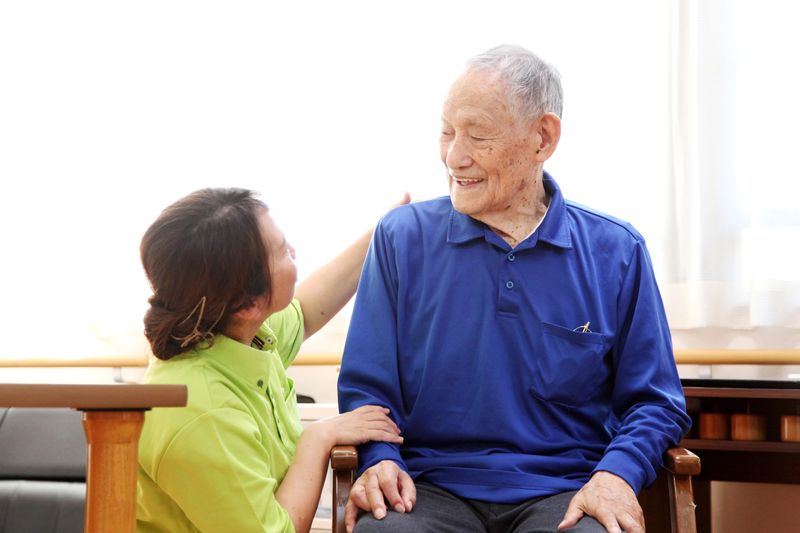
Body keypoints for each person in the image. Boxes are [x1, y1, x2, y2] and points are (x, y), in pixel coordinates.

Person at [337, 45, 691, 533]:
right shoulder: (401, 238)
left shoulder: (617, 251)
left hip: (564, 491)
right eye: (446, 130)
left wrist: (616, 474)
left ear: (542, 138)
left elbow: (655, 402)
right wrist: (378, 459)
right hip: (427, 488)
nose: (453, 155)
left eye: (477, 135)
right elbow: (367, 390)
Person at [136, 187, 408, 533]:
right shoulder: (203, 413)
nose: (293, 251)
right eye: (282, 252)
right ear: (249, 303)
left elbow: (307, 310)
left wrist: (387, 229)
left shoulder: (234, 333)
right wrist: (318, 437)